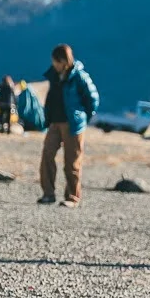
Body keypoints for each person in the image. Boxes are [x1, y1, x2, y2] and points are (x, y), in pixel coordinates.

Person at [38, 45, 99, 206]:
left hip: (73, 124)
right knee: (47, 155)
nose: (54, 65)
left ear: (64, 61)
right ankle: (48, 194)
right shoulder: (54, 76)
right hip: (55, 122)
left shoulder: (79, 76)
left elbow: (93, 98)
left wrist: (84, 117)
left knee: (71, 161)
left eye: (56, 62)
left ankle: (72, 197)